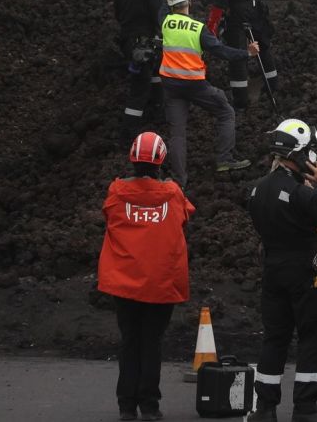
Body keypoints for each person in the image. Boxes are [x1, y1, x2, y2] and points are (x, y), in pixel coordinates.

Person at [246, 118, 317, 422]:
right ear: (301, 153)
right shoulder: (300, 193)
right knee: (314, 335)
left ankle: (265, 407)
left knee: (275, 337)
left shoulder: (258, 190)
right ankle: (305, 407)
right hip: (304, 270)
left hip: (273, 268)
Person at [98, 132, 196, 421]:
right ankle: (150, 406)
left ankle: (126, 406)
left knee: (130, 341)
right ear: (161, 160)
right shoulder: (173, 193)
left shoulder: (116, 192)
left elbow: (109, 216)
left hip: (125, 282)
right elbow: (185, 216)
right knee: (151, 342)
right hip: (161, 283)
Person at [160, 0, 259, 183]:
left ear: (171, 6)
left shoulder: (165, 22)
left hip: (170, 84)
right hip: (195, 85)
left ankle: (179, 179)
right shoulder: (198, 29)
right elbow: (222, 52)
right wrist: (247, 53)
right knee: (226, 111)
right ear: (188, 2)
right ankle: (224, 159)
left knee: (177, 132)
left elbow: (162, 9)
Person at [114, 0, 169, 140]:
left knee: (154, 72)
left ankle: (157, 111)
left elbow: (118, 14)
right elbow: (161, 18)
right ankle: (128, 135)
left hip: (128, 41)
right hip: (144, 43)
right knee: (139, 88)